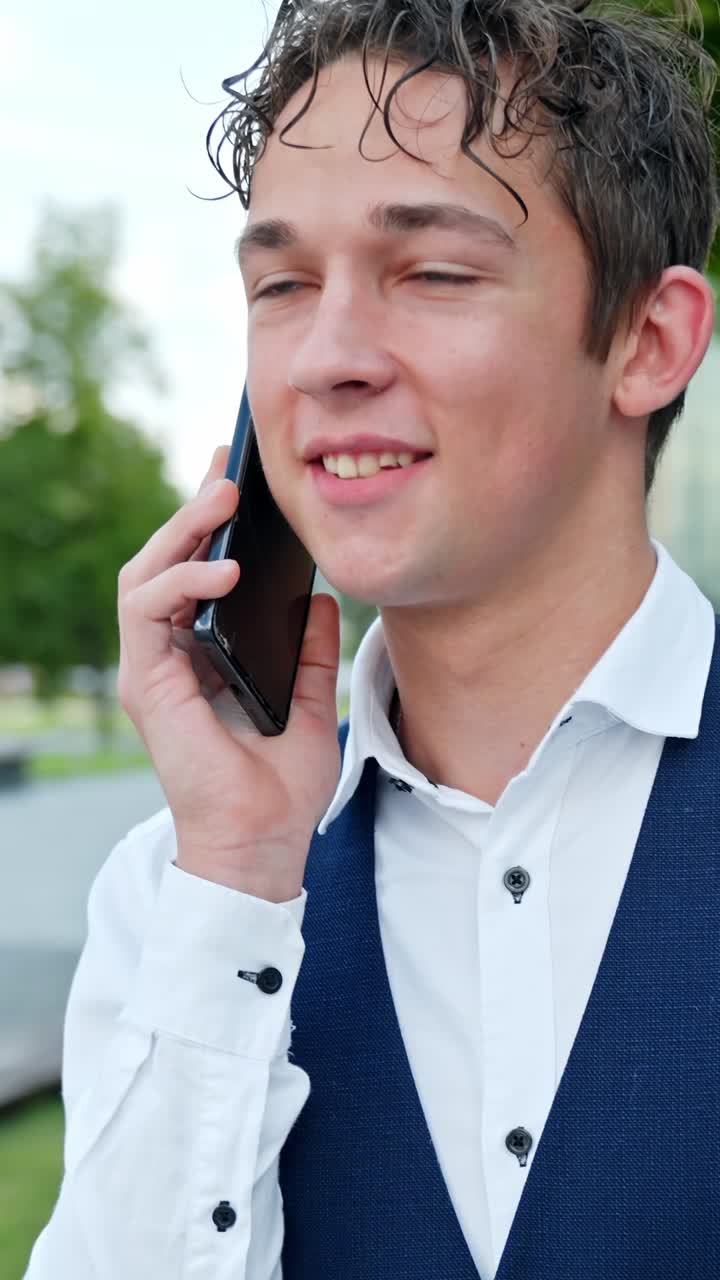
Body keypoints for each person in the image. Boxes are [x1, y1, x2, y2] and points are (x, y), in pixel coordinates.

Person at [24, 0, 720, 1276]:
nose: (325, 357)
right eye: (282, 284)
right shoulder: (179, 895)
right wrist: (235, 876)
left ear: (648, 339)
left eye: (433, 271)